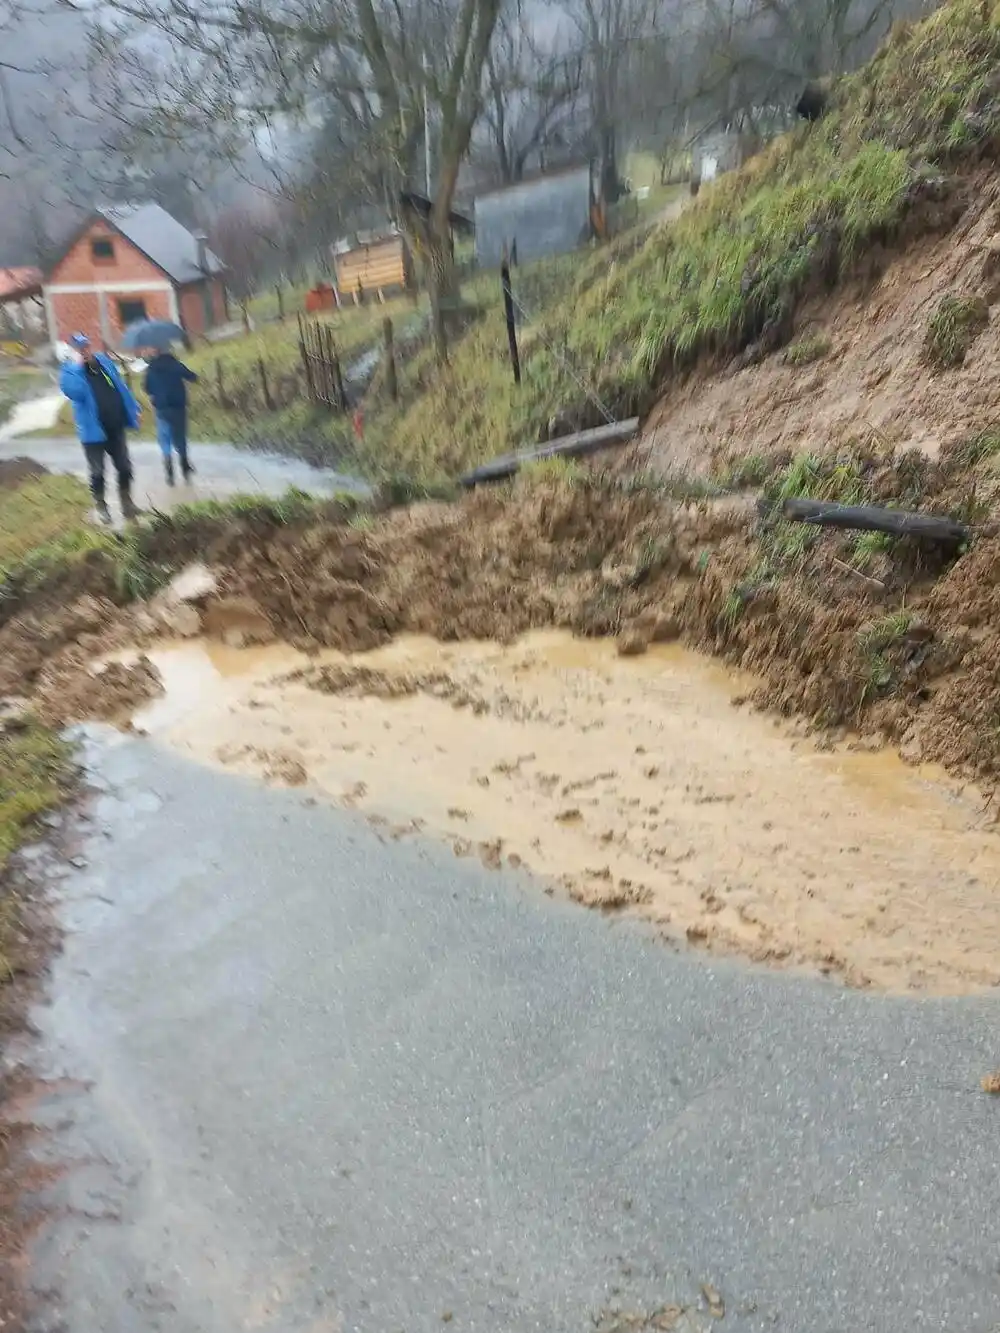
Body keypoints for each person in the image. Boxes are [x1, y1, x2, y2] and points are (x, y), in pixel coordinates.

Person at [59, 333, 141, 524]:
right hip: (93, 432)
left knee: (124, 467)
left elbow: (119, 386)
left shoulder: (103, 362)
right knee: (97, 472)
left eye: (86, 347)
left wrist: (133, 407)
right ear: (73, 352)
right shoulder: (68, 373)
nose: (84, 351)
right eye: (79, 349)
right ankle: (101, 507)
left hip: (115, 426)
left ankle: (127, 504)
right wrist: (77, 366)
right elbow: (76, 392)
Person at [143, 346, 198, 485]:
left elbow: (146, 388)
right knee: (180, 437)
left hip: (161, 408)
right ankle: (185, 468)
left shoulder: (151, 368)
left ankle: (169, 471)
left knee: (165, 438)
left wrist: (156, 392)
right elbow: (192, 377)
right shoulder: (175, 365)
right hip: (178, 407)